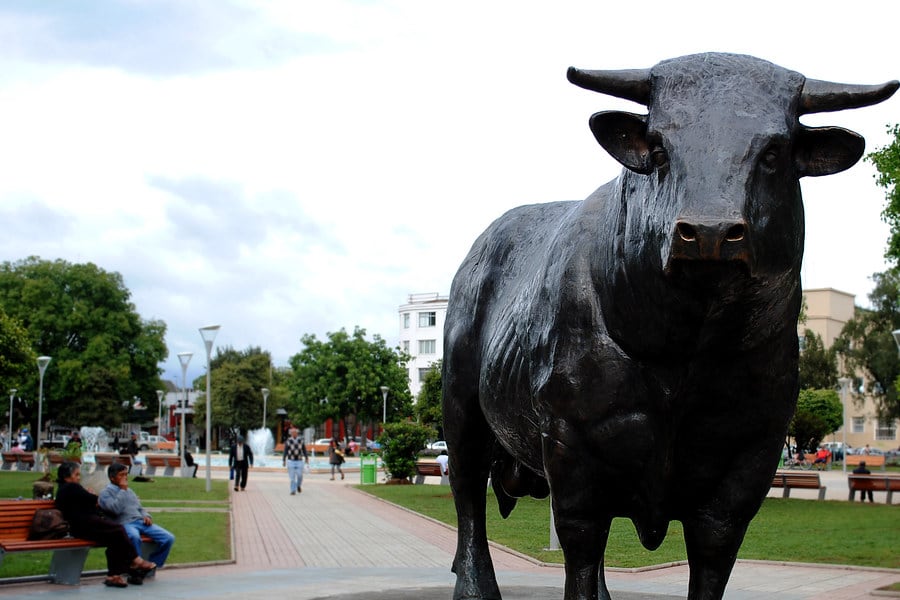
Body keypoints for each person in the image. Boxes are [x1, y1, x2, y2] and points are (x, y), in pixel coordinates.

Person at [55, 461, 156, 588]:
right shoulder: (71, 487)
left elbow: (87, 501)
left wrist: (89, 496)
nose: (79, 478)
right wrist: (91, 495)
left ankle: (113, 576)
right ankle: (136, 561)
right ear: (66, 476)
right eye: (76, 475)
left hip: (82, 526)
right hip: (84, 525)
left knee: (115, 538)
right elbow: (94, 500)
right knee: (118, 530)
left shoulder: (63, 489)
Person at [99, 462, 175, 579]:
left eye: (126, 474)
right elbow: (115, 510)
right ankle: (137, 567)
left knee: (168, 538)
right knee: (134, 537)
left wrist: (147, 516)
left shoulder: (130, 491)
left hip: (140, 522)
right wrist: (122, 491)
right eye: (121, 475)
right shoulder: (106, 493)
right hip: (124, 523)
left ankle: (153, 564)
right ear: (112, 478)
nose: (125, 477)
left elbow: (139, 507)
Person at [283, 426, 309, 495]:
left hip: (299, 461)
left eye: (295, 433)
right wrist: (284, 460)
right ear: (291, 434)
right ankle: (293, 490)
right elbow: (285, 451)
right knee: (292, 478)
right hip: (291, 461)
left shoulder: (301, 440)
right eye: (292, 433)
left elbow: (304, 450)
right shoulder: (288, 441)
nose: (294, 434)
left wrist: (306, 458)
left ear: (297, 433)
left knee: (300, 475)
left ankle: (298, 485)